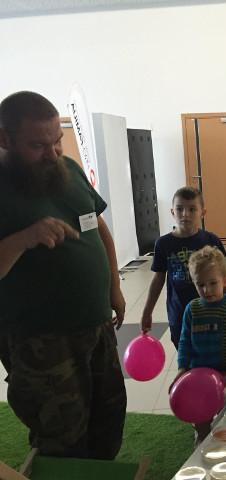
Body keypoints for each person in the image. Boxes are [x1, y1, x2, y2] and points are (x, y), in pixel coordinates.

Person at [0, 91, 126, 459]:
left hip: (96, 326)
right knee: (62, 438)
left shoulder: (68, 169)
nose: (53, 153)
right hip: (40, 340)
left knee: (108, 421)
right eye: (38, 145)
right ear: (5, 139)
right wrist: (25, 238)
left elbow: (98, 228)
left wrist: (114, 286)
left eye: (57, 140)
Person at [140, 186, 226, 349]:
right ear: (172, 212)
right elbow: (158, 279)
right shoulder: (163, 244)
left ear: (203, 213)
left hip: (211, 310)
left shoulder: (211, 240)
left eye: (192, 209)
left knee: (213, 352)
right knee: (185, 353)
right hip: (179, 314)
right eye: (180, 209)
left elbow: (224, 277)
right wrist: (147, 311)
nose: (185, 214)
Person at [171, 246, 226, 443]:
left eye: (213, 283)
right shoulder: (192, 309)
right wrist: (182, 368)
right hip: (198, 377)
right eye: (201, 284)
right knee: (200, 418)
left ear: (225, 280)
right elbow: (184, 341)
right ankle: (203, 440)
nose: (207, 290)